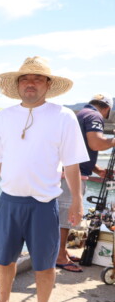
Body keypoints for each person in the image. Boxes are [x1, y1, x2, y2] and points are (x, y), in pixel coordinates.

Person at [0, 56, 89, 302]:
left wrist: (77, 200)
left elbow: (72, 163)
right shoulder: (4, 117)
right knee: (3, 260)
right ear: (17, 85)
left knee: (45, 264)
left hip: (44, 204)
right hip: (9, 201)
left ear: (48, 85)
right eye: (25, 78)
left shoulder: (64, 116)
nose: (30, 83)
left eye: (38, 78)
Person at [56, 93, 114, 272]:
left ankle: (61, 251)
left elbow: (81, 148)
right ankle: (59, 257)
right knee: (66, 218)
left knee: (64, 215)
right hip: (72, 176)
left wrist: (98, 170)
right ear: (107, 109)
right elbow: (96, 143)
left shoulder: (81, 114)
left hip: (68, 171)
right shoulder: (95, 116)